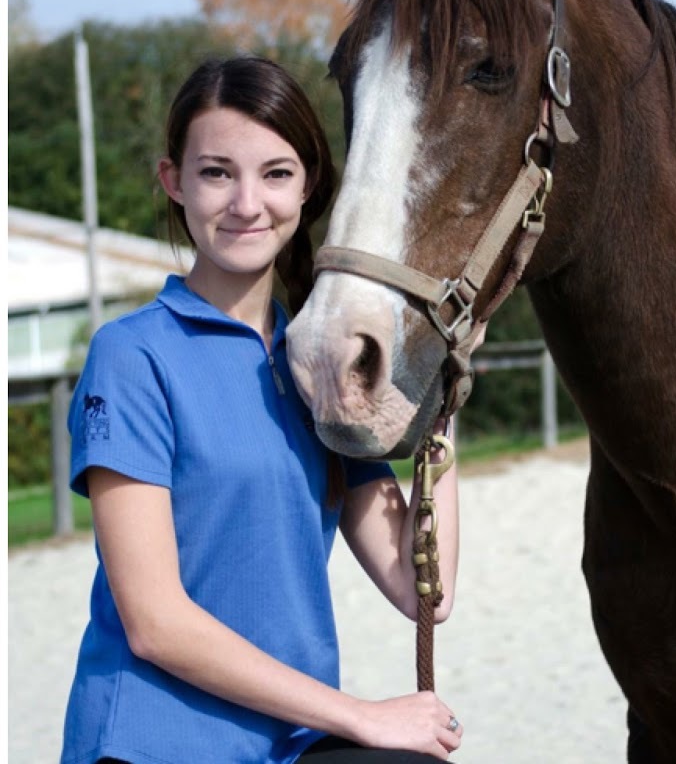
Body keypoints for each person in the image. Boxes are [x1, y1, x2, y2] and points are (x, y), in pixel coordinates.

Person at [60, 56, 463, 764]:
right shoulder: (133, 357)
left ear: (308, 187)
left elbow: (420, 589)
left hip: (288, 741)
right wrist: (361, 717)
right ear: (173, 183)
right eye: (217, 172)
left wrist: (443, 401)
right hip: (157, 744)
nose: (247, 203)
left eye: (275, 174)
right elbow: (154, 622)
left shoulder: (317, 362)